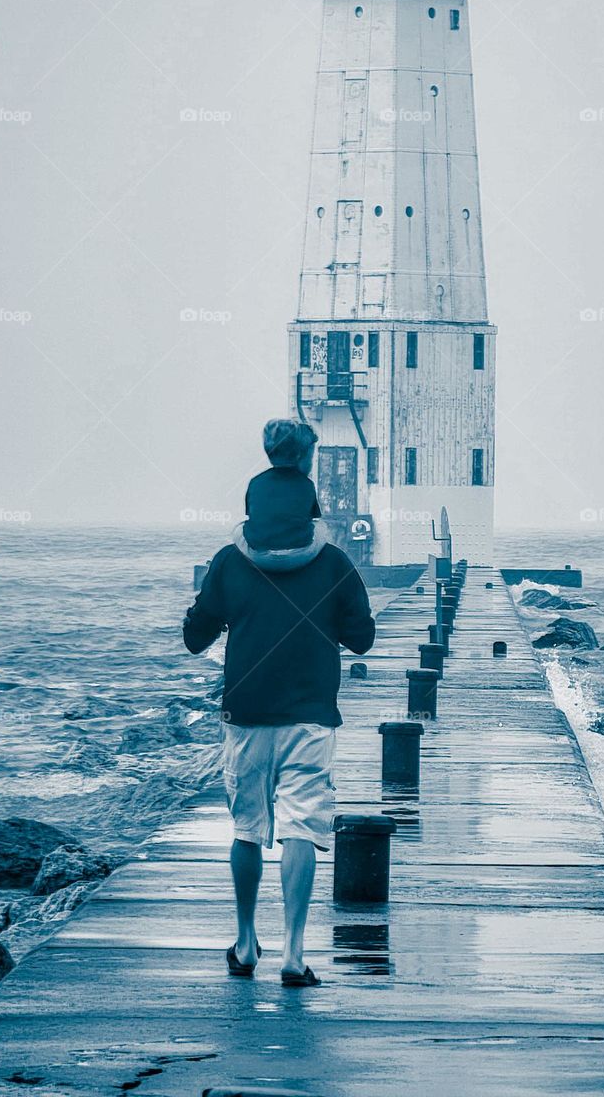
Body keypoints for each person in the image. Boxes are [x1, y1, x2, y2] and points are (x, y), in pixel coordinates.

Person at [182, 421, 375, 987]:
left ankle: (245, 944)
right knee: (302, 828)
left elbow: (196, 637)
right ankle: (293, 954)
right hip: (311, 714)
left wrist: (212, 613)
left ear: (254, 497)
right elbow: (362, 638)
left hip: (246, 711)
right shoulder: (334, 561)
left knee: (246, 828)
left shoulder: (230, 559)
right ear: (310, 479)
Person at [233, 419, 329, 572]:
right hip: (299, 556)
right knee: (321, 526)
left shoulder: (255, 482)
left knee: (239, 528)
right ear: (298, 454)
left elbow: (252, 515)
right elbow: (313, 518)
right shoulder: (306, 484)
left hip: (259, 556)